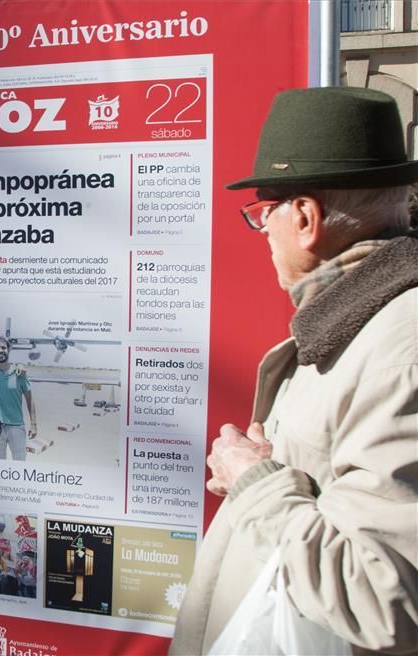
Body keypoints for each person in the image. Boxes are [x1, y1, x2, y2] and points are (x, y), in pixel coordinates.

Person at [170, 87, 418, 654]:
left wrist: (254, 484)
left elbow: (385, 601)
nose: (262, 234)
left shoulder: (399, 348)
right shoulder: (360, 320)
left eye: (263, 214)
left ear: (304, 217)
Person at [0, 336, 37, 460]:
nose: (0, 350)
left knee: (19, 464)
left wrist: (33, 424)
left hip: (17, 427)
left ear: (9, 350)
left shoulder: (19, 373)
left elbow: (30, 400)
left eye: (3, 347)